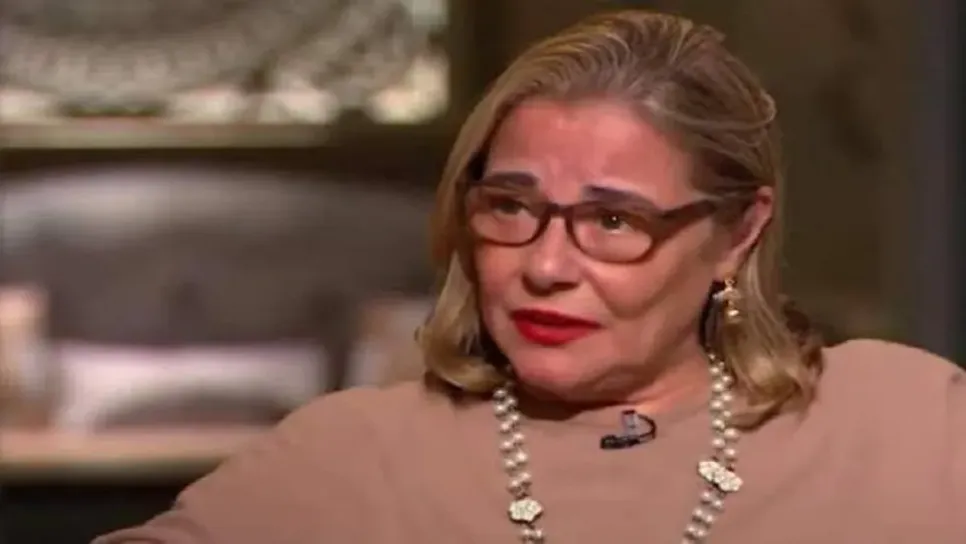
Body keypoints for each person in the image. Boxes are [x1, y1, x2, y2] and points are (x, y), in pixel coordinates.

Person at [94, 10, 966, 544]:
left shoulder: (906, 424)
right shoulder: (353, 458)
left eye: (614, 222)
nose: (545, 266)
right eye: (510, 207)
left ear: (737, 233)